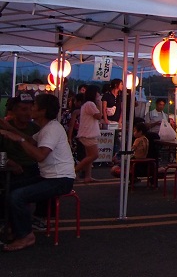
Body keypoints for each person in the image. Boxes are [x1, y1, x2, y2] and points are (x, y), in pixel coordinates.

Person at [0, 94, 75, 252]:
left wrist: (17, 139)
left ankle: (26, 235)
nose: (30, 110)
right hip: (50, 177)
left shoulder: (52, 129)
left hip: (60, 180)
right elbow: (31, 140)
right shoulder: (46, 128)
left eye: (33, 106)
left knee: (17, 196)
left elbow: (40, 155)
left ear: (42, 111)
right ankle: (15, 228)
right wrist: (10, 130)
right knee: (11, 188)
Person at [0, 96, 41, 190]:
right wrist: (8, 162)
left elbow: (34, 143)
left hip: (32, 168)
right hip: (9, 171)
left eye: (31, 109)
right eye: (24, 109)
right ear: (14, 111)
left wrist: (11, 130)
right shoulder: (4, 127)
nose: (28, 113)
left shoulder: (35, 128)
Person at [74, 85, 103, 184]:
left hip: (87, 133)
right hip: (88, 134)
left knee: (89, 156)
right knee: (94, 155)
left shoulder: (87, 104)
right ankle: (73, 171)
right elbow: (99, 116)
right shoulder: (90, 104)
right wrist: (100, 103)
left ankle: (87, 176)